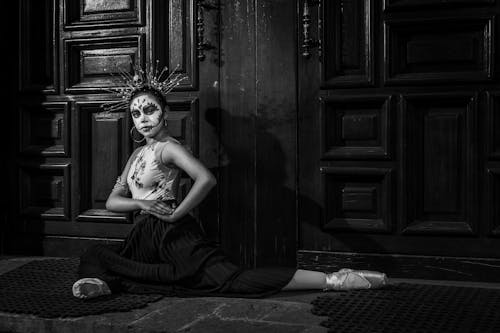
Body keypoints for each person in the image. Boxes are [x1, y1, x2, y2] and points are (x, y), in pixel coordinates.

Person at [72, 64, 387, 299]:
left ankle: (333, 279)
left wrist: (177, 213)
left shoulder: (169, 148)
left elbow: (205, 179)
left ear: (164, 112)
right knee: (95, 255)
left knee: (232, 280)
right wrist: (140, 202)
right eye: (136, 114)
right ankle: (102, 283)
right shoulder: (136, 155)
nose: (143, 118)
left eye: (150, 110)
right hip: (143, 233)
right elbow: (113, 201)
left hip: (170, 233)